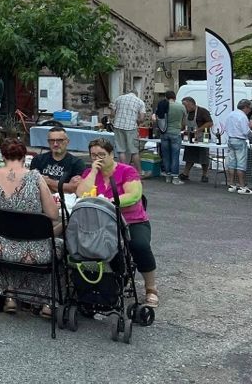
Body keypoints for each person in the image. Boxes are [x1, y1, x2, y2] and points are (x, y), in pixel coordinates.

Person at [0, 139, 61, 317]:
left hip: (1, 249)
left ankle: (10, 295)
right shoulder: (35, 177)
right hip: (35, 252)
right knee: (57, 244)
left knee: (8, 240)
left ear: (3, 156)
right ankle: (46, 303)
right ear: (24, 156)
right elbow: (53, 214)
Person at [76, 138, 159, 307]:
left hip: (132, 221)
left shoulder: (127, 171)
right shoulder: (89, 173)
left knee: (139, 245)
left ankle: (151, 287)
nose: (98, 158)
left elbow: (134, 195)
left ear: (111, 154)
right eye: (94, 155)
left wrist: (106, 201)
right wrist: (92, 172)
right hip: (101, 222)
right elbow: (81, 194)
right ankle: (98, 285)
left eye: (102, 154)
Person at [29, 125, 84, 194]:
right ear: (48, 142)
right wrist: (64, 187)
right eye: (52, 140)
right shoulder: (38, 160)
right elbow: (32, 185)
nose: (55, 144)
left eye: (59, 140)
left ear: (67, 142)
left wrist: (48, 181)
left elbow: (73, 189)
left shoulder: (77, 163)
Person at [110, 88, 146, 169]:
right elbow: (142, 119)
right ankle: (139, 172)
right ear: (136, 94)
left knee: (121, 150)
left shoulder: (118, 98)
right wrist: (137, 121)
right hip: (131, 128)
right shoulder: (140, 102)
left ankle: (124, 170)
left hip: (118, 126)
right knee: (134, 151)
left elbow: (112, 114)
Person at [179, 97, 213, 182]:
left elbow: (210, 123)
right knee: (189, 155)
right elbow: (183, 124)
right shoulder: (186, 112)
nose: (184, 107)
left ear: (191, 104)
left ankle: (205, 175)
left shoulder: (202, 111)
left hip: (202, 137)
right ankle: (185, 174)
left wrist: (199, 130)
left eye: (185, 105)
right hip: (190, 136)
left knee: (204, 156)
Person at [224, 99, 252, 194]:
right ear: (245, 107)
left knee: (232, 163)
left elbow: (226, 127)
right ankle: (242, 187)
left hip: (231, 139)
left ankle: (232, 184)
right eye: (249, 108)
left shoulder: (230, 114)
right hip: (240, 140)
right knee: (241, 164)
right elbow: (246, 131)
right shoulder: (243, 116)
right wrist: (251, 133)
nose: (250, 110)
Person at [158, 90, 187, 183]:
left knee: (166, 155)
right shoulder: (181, 106)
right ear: (175, 97)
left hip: (164, 133)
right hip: (175, 132)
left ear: (166, 97)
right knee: (175, 155)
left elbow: (158, 118)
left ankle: (168, 175)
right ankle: (175, 177)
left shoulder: (163, 106)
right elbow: (184, 122)